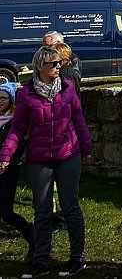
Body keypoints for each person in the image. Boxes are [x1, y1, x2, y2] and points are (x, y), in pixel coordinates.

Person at [0, 46, 92, 279]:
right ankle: (41, 260)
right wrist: (6, 155)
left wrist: (86, 148)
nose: (58, 66)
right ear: (39, 66)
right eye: (53, 63)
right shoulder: (26, 95)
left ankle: (77, 258)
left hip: (68, 154)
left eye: (59, 63)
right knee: (41, 210)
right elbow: (19, 128)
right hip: (39, 159)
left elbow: (78, 119)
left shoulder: (68, 88)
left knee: (70, 206)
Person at [0, 81, 33, 254]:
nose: (0, 101)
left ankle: (31, 234)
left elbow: (17, 147)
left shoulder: (14, 122)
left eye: (4, 98)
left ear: (11, 100)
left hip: (8, 170)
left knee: (6, 213)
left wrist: (6, 162)